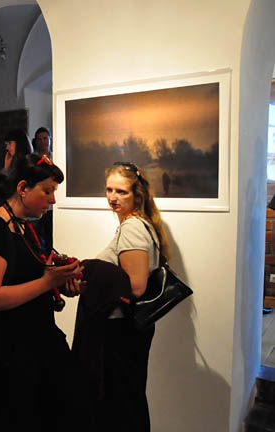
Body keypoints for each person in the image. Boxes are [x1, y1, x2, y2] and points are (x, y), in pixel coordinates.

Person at [0, 153, 84, 430]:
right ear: (23, 188)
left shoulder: (24, 226)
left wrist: (60, 281)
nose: (52, 200)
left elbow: (32, 279)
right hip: (13, 352)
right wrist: (47, 282)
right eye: (47, 191)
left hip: (37, 342)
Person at [93, 161, 170, 431]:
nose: (113, 197)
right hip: (131, 328)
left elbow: (135, 287)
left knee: (122, 402)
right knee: (128, 398)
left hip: (122, 328)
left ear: (137, 195)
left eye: (121, 191)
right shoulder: (138, 224)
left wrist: (92, 278)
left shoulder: (133, 228)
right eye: (109, 190)